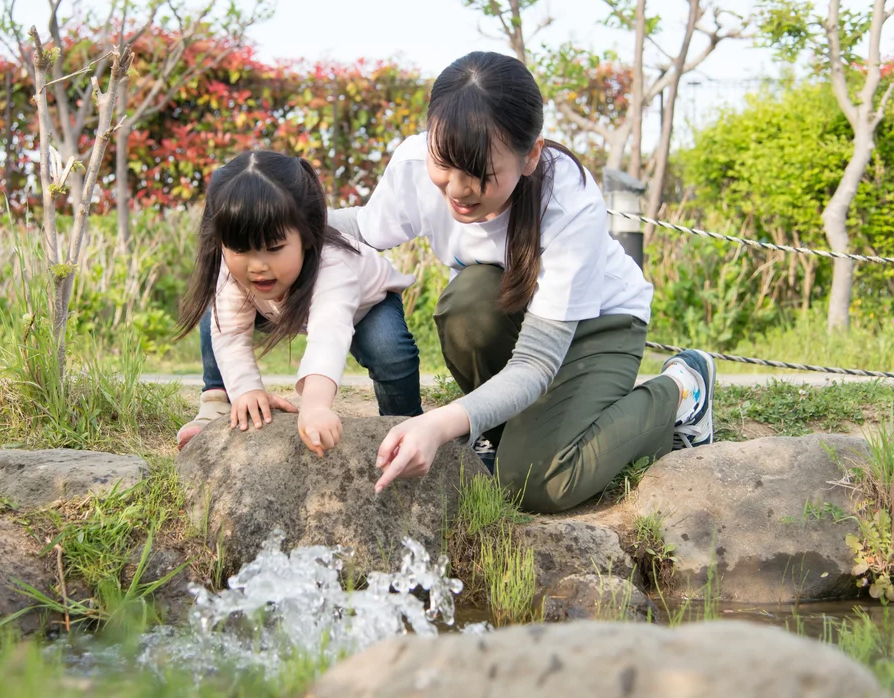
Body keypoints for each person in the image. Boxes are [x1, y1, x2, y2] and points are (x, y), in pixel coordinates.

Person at [327, 51, 716, 514]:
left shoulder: (568, 202)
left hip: (598, 326)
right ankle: (512, 436)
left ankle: (680, 392)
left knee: (536, 482)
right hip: (514, 318)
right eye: (444, 164)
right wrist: (280, 221)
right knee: (466, 305)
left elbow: (535, 362)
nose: (456, 189)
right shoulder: (414, 165)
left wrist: (437, 424)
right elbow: (365, 227)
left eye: (480, 174)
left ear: (530, 155)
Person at [173, 150, 423, 454]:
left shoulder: (333, 267)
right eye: (240, 250)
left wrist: (316, 405)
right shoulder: (233, 268)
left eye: (274, 247)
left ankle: (404, 422)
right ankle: (216, 400)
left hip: (365, 306)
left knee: (390, 351)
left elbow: (328, 334)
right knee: (217, 311)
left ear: (306, 235)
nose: (257, 265)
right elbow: (232, 333)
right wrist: (247, 390)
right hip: (278, 307)